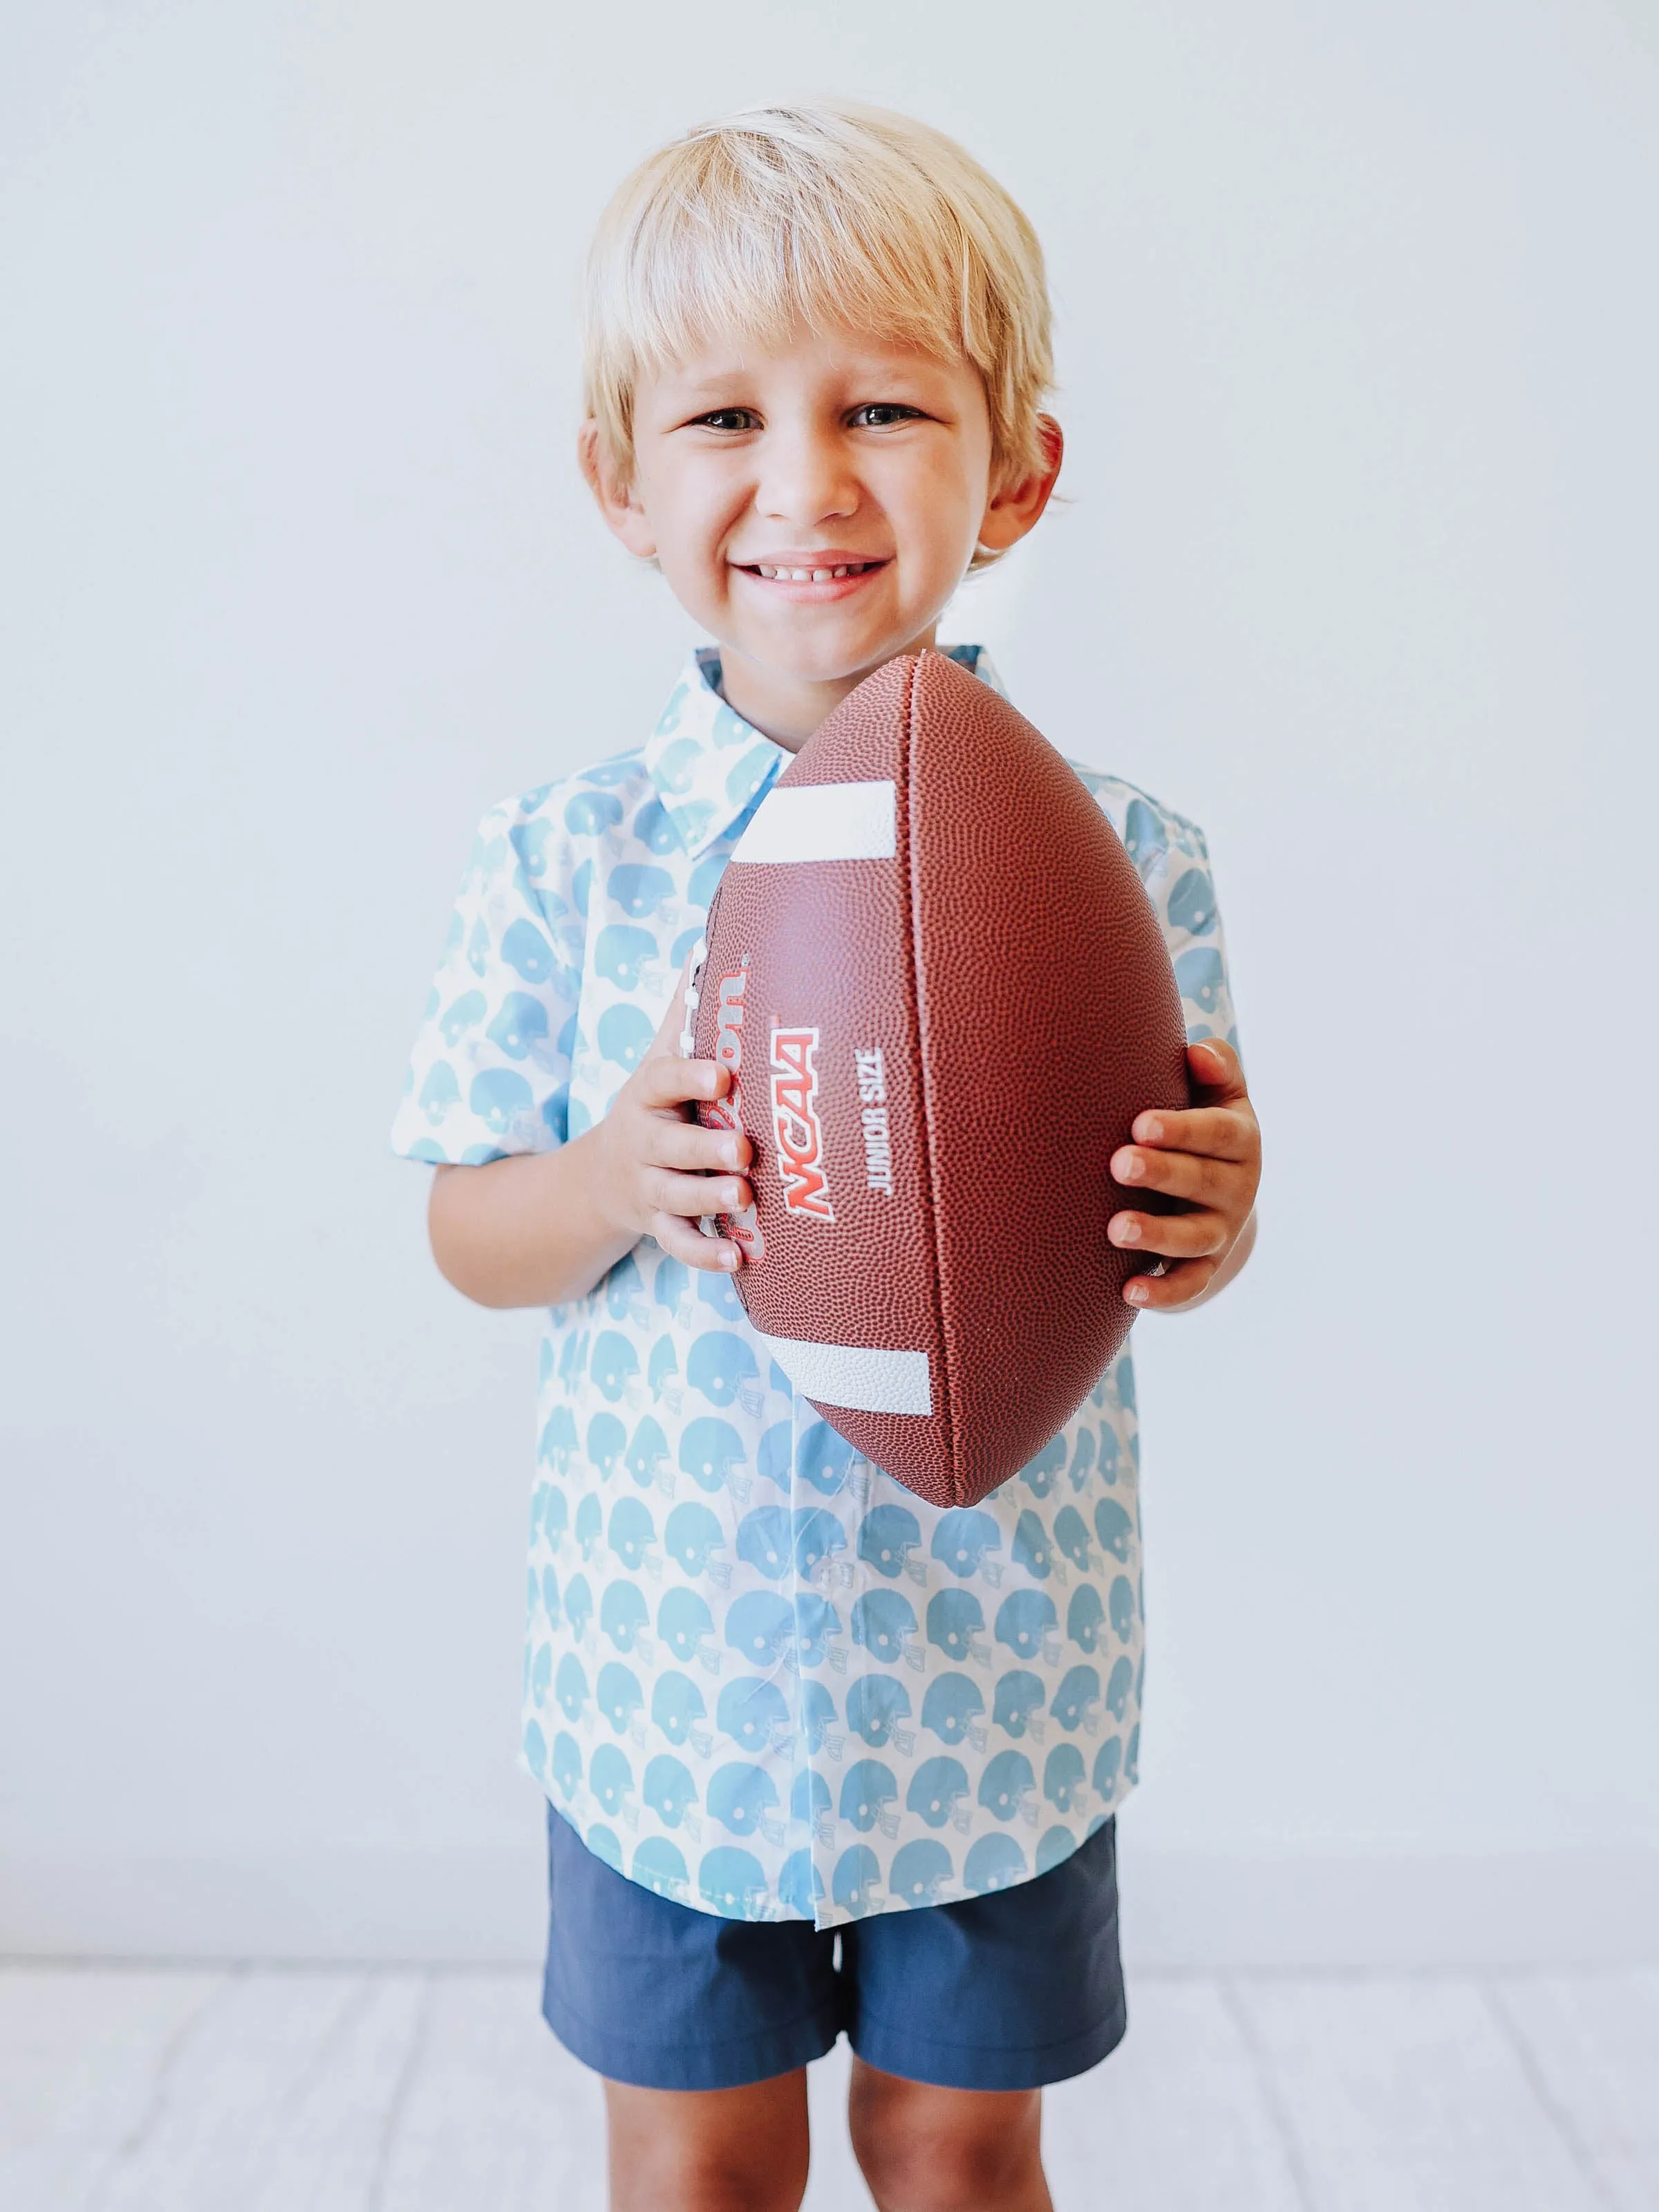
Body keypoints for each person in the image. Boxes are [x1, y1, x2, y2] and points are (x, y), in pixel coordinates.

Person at [391, 100, 1261, 2212]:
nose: (806, 483)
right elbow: (464, 1234)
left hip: (993, 1661)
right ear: (621, 484)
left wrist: (1214, 1219)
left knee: (961, 2148)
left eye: (883, 405)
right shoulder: (568, 856)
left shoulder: (1118, 855)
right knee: (698, 2163)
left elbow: (1173, 1218)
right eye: (720, 420)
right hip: (665, 1675)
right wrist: (606, 1180)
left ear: (1020, 471)